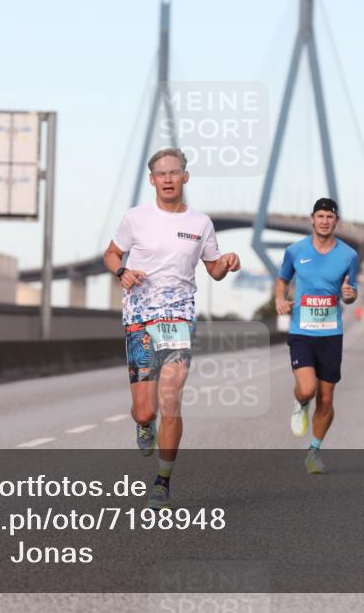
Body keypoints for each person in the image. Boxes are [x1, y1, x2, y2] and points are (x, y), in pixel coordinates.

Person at [102, 147, 241, 509]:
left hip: (178, 317)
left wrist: (226, 263)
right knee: (145, 411)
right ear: (152, 180)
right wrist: (122, 271)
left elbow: (213, 270)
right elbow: (111, 254)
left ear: (185, 177)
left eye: (173, 172)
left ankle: (162, 481)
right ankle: (144, 425)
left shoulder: (201, 223)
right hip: (139, 318)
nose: (167, 179)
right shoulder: (135, 218)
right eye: (160, 174)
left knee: (170, 399)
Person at [274, 197, 359, 474]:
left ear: (336, 221)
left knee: (326, 398)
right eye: (320, 216)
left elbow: (351, 292)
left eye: (329, 217)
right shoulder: (295, 251)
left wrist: (350, 295)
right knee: (308, 389)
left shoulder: (349, 255)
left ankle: (314, 451)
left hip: (331, 333)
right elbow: (283, 279)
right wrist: (279, 299)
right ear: (312, 219)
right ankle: (300, 404)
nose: (324, 221)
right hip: (301, 331)